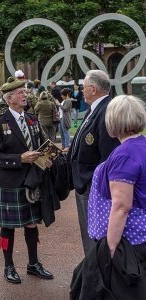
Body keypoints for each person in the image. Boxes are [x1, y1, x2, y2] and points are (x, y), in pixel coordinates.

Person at [0, 76, 54, 284]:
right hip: (10, 182)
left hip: (31, 180)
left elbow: (42, 146)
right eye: (20, 93)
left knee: (33, 223)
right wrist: (20, 159)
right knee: (7, 227)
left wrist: (48, 159)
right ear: (9, 99)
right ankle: (8, 266)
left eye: (25, 92)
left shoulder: (33, 120)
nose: (24, 95)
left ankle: (33, 264)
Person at [83, 95, 146, 299]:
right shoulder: (141, 145)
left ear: (112, 122)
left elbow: (121, 206)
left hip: (129, 241)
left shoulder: (124, 155)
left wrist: (110, 249)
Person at [67, 70, 120, 255]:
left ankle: (96, 273)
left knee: (95, 233)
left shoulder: (105, 111)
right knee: (89, 231)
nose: (82, 91)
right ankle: (93, 269)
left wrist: (97, 181)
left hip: (93, 184)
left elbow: (108, 154)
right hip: (86, 182)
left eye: (83, 88)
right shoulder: (94, 108)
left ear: (93, 89)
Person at [56, 88, 72, 152]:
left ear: (66, 95)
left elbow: (65, 109)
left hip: (64, 119)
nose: (61, 96)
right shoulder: (64, 100)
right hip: (61, 118)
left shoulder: (68, 100)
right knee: (62, 133)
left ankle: (67, 146)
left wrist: (58, 104)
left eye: (62, 95)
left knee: (65, 132)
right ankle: (63, 145)